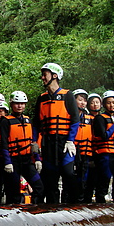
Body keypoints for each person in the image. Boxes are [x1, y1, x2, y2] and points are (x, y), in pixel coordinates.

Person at [33, 63, 80, 204]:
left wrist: (70, 140)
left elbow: (75, 120)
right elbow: (36, 123)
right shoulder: (41, 98)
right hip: (48, 144)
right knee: (50, 177)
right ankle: (52, 207)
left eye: (45, 74)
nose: (42, 77)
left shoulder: (68, 95)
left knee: (68, 173)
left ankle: (72, 205)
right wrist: (34, 142)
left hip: (64, 142)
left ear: (55, 75)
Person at [1, 91, 44, 204]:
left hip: (27, 160)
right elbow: (4, 143)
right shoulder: (6, 121)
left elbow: (32, 142)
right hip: (13, 161)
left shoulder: (28, 120)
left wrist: (37, 160)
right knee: (13, 192)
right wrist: (7, 162)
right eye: (17, 103)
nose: (20, 106)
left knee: (39, 187)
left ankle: (34, 210)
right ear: (11, 104)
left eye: (22, 103)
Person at [72, 89, 92, 204]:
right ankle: (68, 201)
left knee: (83, 178)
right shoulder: (69, 116)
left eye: (84, 100)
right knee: (70, 177)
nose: (83, 103)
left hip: (85, 153)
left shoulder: (89, 119)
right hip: (72, 151)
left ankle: (81, 201)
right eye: (80, 100)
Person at [84, 93, 102, 202]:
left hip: (101, 151)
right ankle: (87, 199)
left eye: (97, 102)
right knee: (89, 179)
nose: (95, 105)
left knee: (99, 178)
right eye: (92, 102)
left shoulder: (104, 118)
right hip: (88, 151)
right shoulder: (86, 118)